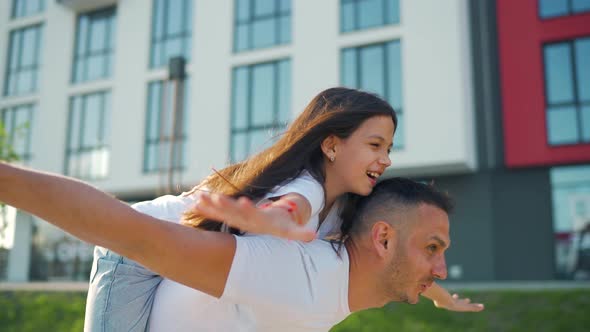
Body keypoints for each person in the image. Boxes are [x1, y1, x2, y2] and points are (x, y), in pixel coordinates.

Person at [0, 161, 481, 332]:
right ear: (382, 237)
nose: (441, 267)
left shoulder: (336, 263)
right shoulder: (295, 276)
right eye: (433, 248)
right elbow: (133, 235)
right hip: (131, 260)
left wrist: (436, 291)